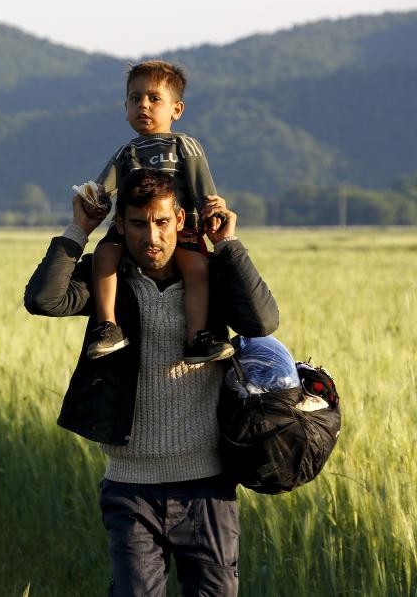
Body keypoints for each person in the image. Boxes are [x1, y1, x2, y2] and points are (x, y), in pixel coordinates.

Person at [24, 170, 280, 596]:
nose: (152, 237)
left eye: (161, 222)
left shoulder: (210, 278)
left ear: (180, 220)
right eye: (139, 224)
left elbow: (262, 322)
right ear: (121, 225)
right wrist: (79, 230)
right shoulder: (109, 280)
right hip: (130, 489)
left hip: (207, 488)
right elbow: (43, 299)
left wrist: (228, 245)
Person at [85, 60, 231, 364]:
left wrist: (212, 210)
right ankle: (108, 326)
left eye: (154, 99)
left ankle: (196, 338)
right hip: (129, 229)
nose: (144, 106)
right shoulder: (126, 152)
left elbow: (204, 190)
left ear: (176, 110)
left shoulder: (184, 146)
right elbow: (101, 189)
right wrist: (92, 200)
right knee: (103, 256)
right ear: (125, 107)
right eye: (135, 99)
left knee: (196, 269)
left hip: (178, 231)